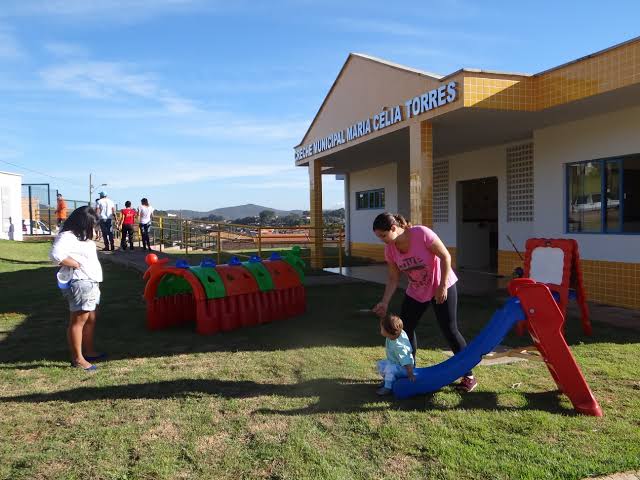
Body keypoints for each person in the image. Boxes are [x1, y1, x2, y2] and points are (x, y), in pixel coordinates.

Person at [371, 212, 477, 392]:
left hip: (442, 285)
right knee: (404, 329)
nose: (381, 239)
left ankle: (469, 376)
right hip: (417, 290)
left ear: (394, 228)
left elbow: (445, 257)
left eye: (383, 235)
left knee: (449, 329)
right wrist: (385, 302)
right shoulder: (390, 249)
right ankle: (408, 371)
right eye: (378, 236)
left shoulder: (421, 234)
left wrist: (442, 286)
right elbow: (393, 278)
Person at [49, 206, 104, 371]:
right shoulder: (67, 236)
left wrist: (92, 234)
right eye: (91, 225)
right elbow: (55, 255)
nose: (93, 229)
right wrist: (75, 264)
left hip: (90, 281)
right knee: (78, 321)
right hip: (81, 282)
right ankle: (78, 358)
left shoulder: (80, 236)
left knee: (90, 318)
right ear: (83, 223)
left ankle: (89, 351)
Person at [376, 314, 415, 396]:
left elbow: (406, 359)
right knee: (380, 364)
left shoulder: (399, 346)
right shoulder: (395, 334)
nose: (381, 330)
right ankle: (388, 380)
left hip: (404, 368)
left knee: (390, 369)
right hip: (395, 362)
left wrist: (410, 373)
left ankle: (387, 388)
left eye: (382, 329)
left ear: (389, 332)